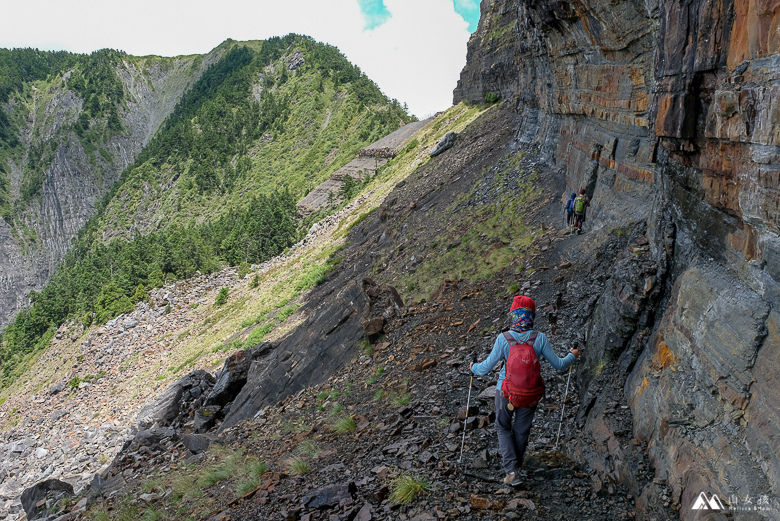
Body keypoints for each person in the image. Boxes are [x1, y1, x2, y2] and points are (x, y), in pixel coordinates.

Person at [470, 296, 579, 486]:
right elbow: (560, 365)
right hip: (531, 393)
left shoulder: (503, 339)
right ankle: (515, 468)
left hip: (505, 392)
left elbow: (484, 368)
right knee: (521, 430)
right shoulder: (540, 338)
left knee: (502, 426)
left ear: (514, 316)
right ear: (532, 316)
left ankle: (511, 470)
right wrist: (573, 355)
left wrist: (472, 367)